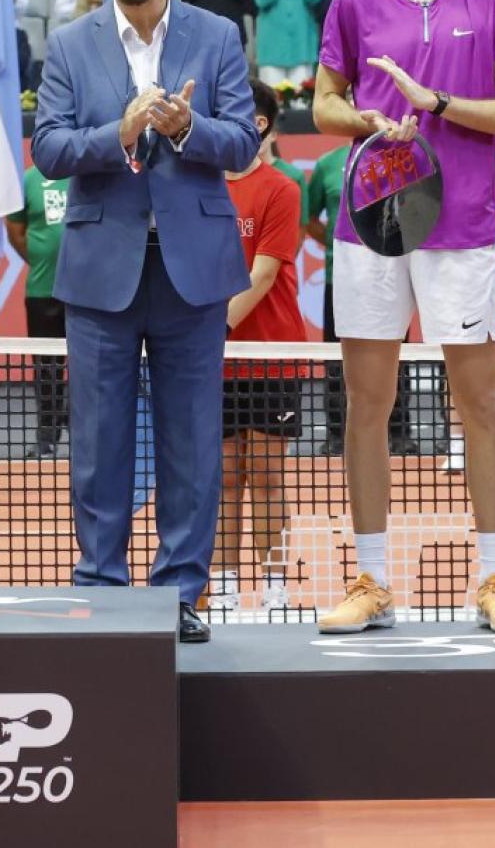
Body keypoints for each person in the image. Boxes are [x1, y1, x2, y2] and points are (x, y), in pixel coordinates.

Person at [311, 0, 495, 636]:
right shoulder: (353, 3)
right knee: (367, 404)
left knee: (478, 403)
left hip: (463, 226)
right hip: (371, 226)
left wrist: (435, 101)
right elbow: (324, 106)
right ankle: (371, 581)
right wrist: (368, 119)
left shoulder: (493, 4)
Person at [30, 0, 260, 645]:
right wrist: (120, 132)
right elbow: (50, 149)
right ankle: (102, 586)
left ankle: (178, 594)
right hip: (102, 270)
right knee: (98, 441)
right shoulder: (69, 44)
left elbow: (243, 144)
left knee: (193, 441)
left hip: (193, 270)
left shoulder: (218, 36)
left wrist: (184, 128)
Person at [208, 80, 306, 613]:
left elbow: (263, 274)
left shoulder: (282, 189)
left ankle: (273, 588)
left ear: (260, 124)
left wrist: (208, 335)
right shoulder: (200, 188)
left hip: (270, 353)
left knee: (266, 476)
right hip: (214, 360)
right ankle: (222, 587)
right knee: (223, 478)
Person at [8, 161, 72, 459]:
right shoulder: (27, 181)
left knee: (89, 367)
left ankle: (84, 433)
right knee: (46, 369)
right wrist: (41, 261)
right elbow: (16, 234)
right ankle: (46, 438)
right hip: (41, 291)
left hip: (84, 293)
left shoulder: (84, 175)